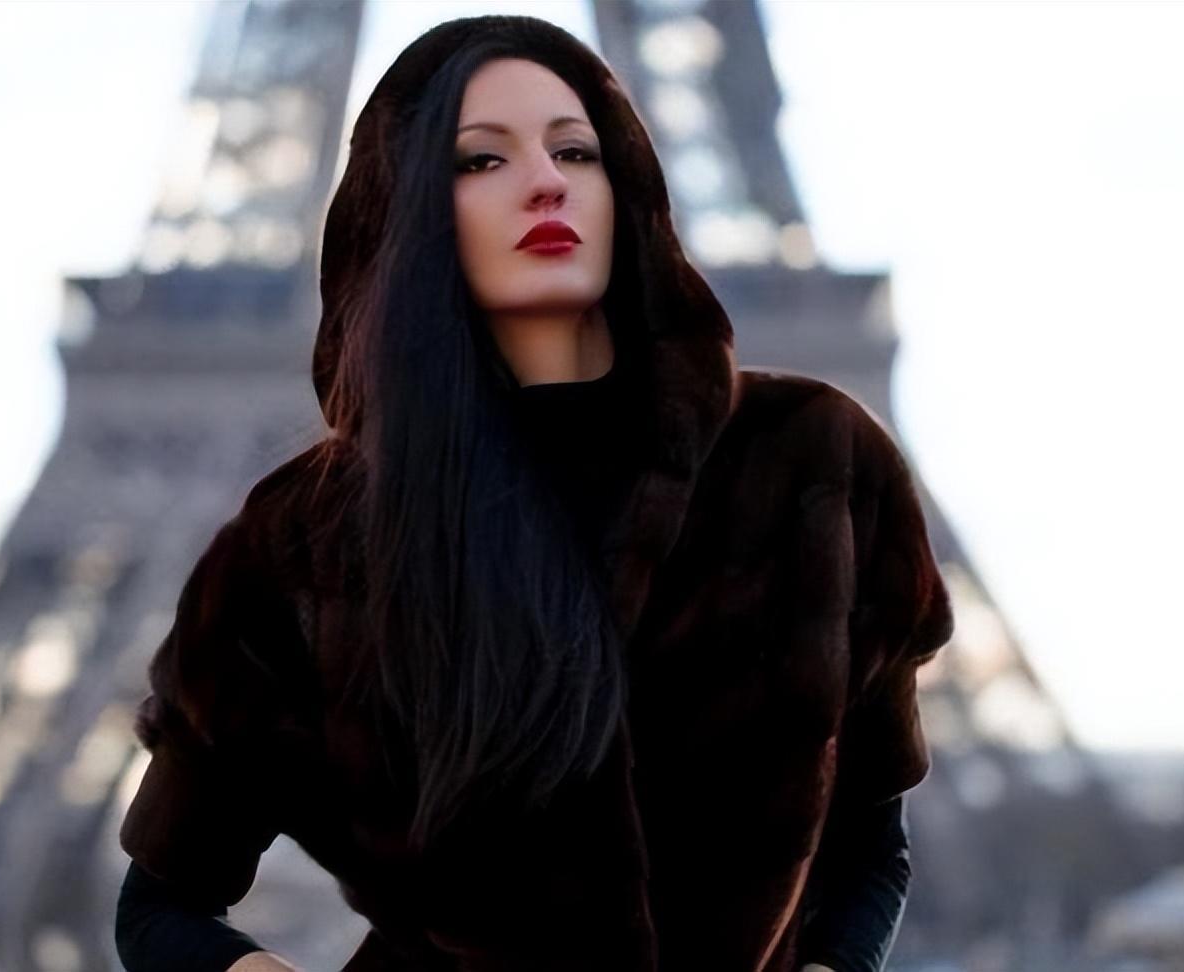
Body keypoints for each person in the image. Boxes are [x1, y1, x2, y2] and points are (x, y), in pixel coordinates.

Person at [114, 14, 954, 972]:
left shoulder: (813, 459)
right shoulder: (306, 538)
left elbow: (869, 850)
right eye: (481, 160)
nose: (545, 181)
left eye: (575, 150)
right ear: (412, 213)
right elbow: (160, 907)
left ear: (623, 180)